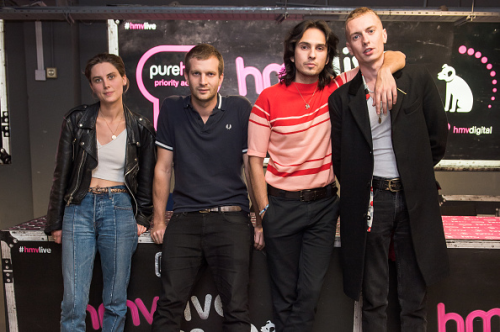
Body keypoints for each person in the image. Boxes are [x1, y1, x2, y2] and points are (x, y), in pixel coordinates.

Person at [247, 19, 405, 332]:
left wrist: (385, 71)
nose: (311, 54)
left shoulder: (340, 88)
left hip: (323, 209)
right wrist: (263, 212)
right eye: (304, 46)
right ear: (292, 53)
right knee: (284, 298)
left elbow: (394, 55)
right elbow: (253, 162)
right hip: (280, 207)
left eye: (319, 48)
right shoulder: (268, 98)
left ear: (327, 55)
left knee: (309, 294)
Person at [329, 7, 450, 331]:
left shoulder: (417, 79)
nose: (365, 40)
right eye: (356, 36)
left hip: (415, 201)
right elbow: (340, 159)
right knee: (374, 299)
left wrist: (414, 172)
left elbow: (437, 139)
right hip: (372, 202)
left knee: (414, 300)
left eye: (370, 31)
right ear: (350, 47)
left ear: (383, 35)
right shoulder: (342, 99)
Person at [150, 43, 264, 332]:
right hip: (185, 218)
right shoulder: (172, 109)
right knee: (169, 305)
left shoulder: (239, 108)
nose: (203, 81)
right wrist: (158, 218)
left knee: (237, 309)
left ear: (221, 78)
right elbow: (163, 168)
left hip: (231, 219)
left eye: (210, 74)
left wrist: (260, 219)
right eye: (197, 73)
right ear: (185, 75)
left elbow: (252, 169)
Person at [44, 53, 156, 332]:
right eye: (98, 80)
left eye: (111, 77)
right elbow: (62, 173)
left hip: (119, 208)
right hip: (78, 208)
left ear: (124, 81)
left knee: (116, 300)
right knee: (73, 302)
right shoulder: (77, 120)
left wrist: (142, 217)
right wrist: (55, 222)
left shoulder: (141, 127)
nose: (106, 85)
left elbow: (146, 178)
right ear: (92, 87)